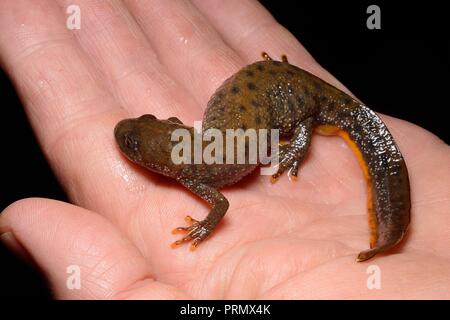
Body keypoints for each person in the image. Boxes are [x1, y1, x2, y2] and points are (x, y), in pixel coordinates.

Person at [0, 0, 449, 299]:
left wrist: (203, 229)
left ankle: (306, 125)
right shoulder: (188, 160)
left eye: (139, 137)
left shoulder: (193, 173)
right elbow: (185, 143)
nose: (148, 128)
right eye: (140, 136)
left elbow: (221, 204)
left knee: (306, 118)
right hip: (270, 87)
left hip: (286, 96)